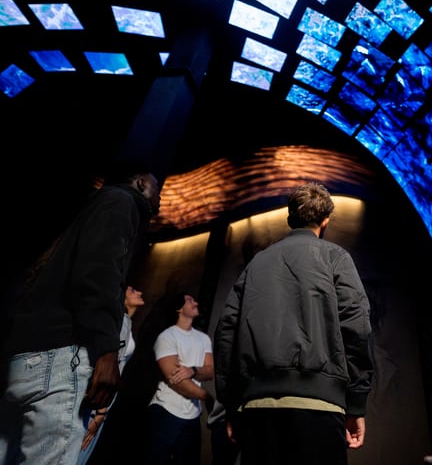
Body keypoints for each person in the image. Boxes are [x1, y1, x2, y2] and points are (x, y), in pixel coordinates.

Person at [0, 163, 161, 465]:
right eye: (157, 189)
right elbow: (98, 271)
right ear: (140, 183)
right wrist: (107, 351)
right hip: (60, 361)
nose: (160, 199)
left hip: (26, 360)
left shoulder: (93, 209)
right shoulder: (122, 202)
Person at [214, 181, 374, 465]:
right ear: (326, 220)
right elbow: (357, 327)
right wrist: (356, 403)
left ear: (290, 219)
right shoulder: (336, 258)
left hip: (257, 408)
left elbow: (227, 331)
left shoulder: (257, 263)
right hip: (321, 407)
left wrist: (231, 405)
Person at [76, 284, 146, 465]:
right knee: (75, 452)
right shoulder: (120, 320)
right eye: (132, 290)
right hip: (97, 400)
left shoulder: (126, 322)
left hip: (103, 399)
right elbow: (105, 364)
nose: (139, 292)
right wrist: (101, 410)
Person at [146, 292, 214, 465]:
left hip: (192, 416)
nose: (195, 302)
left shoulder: (203, 339)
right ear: (179, 309)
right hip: (166, 411)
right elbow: (177, 382)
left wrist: (193, 370)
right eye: (190, 300)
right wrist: (205, 396)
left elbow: (210, 371)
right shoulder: (167, 337)